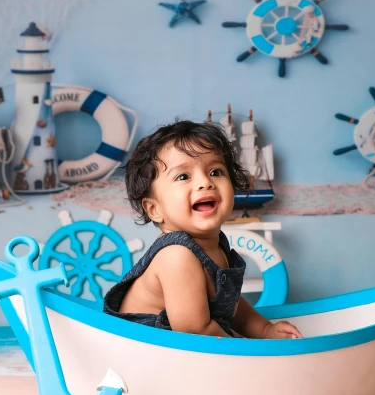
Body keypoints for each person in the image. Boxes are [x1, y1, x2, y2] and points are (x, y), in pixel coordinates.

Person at [103, 120, 302, 339]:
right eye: (183, 176)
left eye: (216, 172)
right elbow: (197, 332)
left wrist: (265, 329)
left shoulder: (216, 245)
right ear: (154, 209)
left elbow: (230, 302)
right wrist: (248, 349)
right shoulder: (177, 255)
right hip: (144, 352)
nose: (205, 182)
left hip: (186, 351)